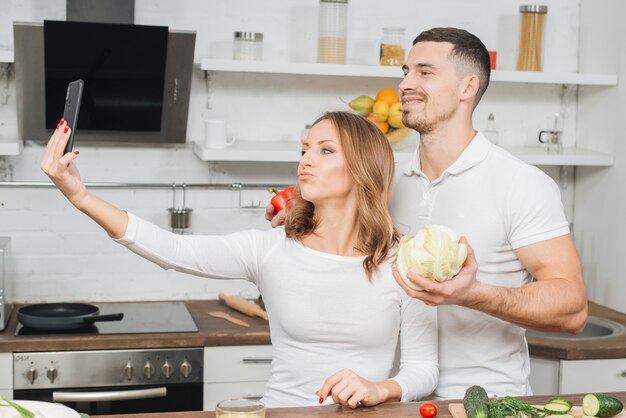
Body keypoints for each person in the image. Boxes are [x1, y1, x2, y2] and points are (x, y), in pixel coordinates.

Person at [265, 28, 588, 400]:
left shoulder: (520, 183)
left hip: (483, 402)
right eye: (405, 71)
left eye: (424, 72)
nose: (405, 83)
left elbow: (572, 307)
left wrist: (473, 293)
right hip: (390, 401)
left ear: (467, 88)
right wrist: (299, 212)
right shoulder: (385, 181)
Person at [41, 111, 438, 408]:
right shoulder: (269, 249)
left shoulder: (404, 261)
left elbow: (424, 368)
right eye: (304, 150)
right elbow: (172, 250)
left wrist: (378, 388)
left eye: (325, 150)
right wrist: (81, 197)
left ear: (364, 169)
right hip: (281, 414)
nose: (306, 160)